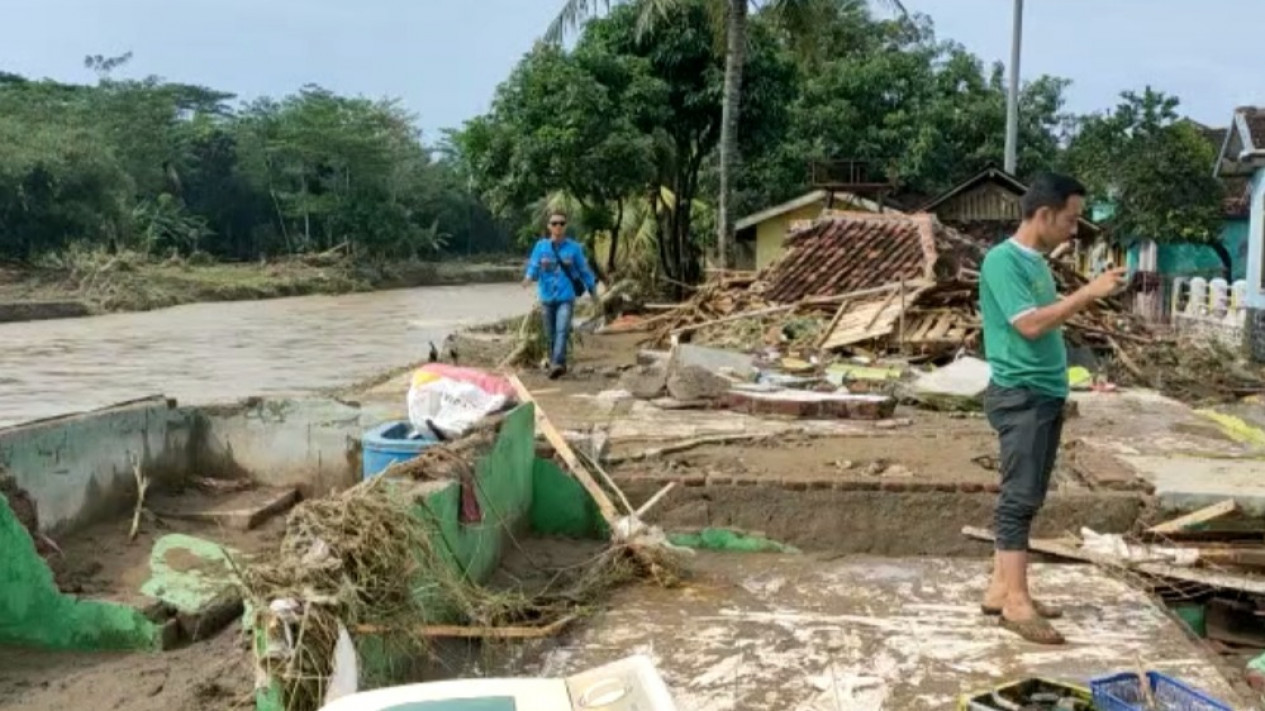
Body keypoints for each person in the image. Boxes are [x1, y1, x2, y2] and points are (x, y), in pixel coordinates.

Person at [978, 173, 1126, 645]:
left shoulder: (1037, 262)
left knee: (1030, 495)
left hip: (1042, 394)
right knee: (1018, 499)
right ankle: (1017, 604)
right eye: (1071, 218)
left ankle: (1001, 588)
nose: (1074, 228)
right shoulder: (1003, 262)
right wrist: (1087, 293)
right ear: (1043, 215)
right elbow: (1030, 326)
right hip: (1020, 395)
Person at [522, 211, 598, 380]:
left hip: (566, 296)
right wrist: (528, 278)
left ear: (566, 226)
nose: (558, 226)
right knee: (550, 333)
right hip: (546, 297)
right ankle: (557, 363)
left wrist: (593, 292)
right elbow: (533, 266)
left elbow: (584, 270)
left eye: (561, 223)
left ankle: (556, 363)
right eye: (554, 223)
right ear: (549, 226)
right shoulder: (541, 247)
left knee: (562, 330)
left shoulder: (574, 248)